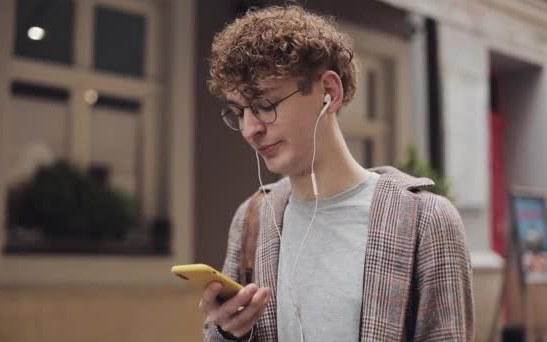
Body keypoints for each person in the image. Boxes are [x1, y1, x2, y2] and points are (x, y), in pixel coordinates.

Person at [199, 5, 474, 342]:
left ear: (329, 92)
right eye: (239, 113)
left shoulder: (426, 220)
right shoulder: (253, 218)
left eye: (265, 105)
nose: (250, 129)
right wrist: (228, 332)